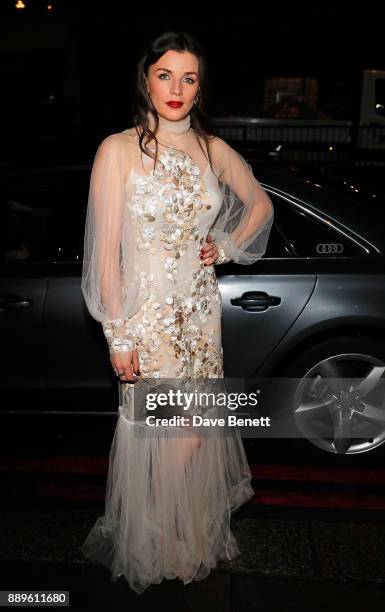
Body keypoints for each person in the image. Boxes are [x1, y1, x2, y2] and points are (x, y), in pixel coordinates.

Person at [80, 30, 274, 595]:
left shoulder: (212, 150)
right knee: (172, 434)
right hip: (147, 317)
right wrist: (117, 333)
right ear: (146, 79)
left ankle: (175, 536)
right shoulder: (117, 150)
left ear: (199, 88)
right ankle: (159, 540)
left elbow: (260, 204)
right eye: (165, 75)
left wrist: (228, 242)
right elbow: (107, 254)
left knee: (194, 435)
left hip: (199, 315)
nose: (176, 88)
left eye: (188, 78)